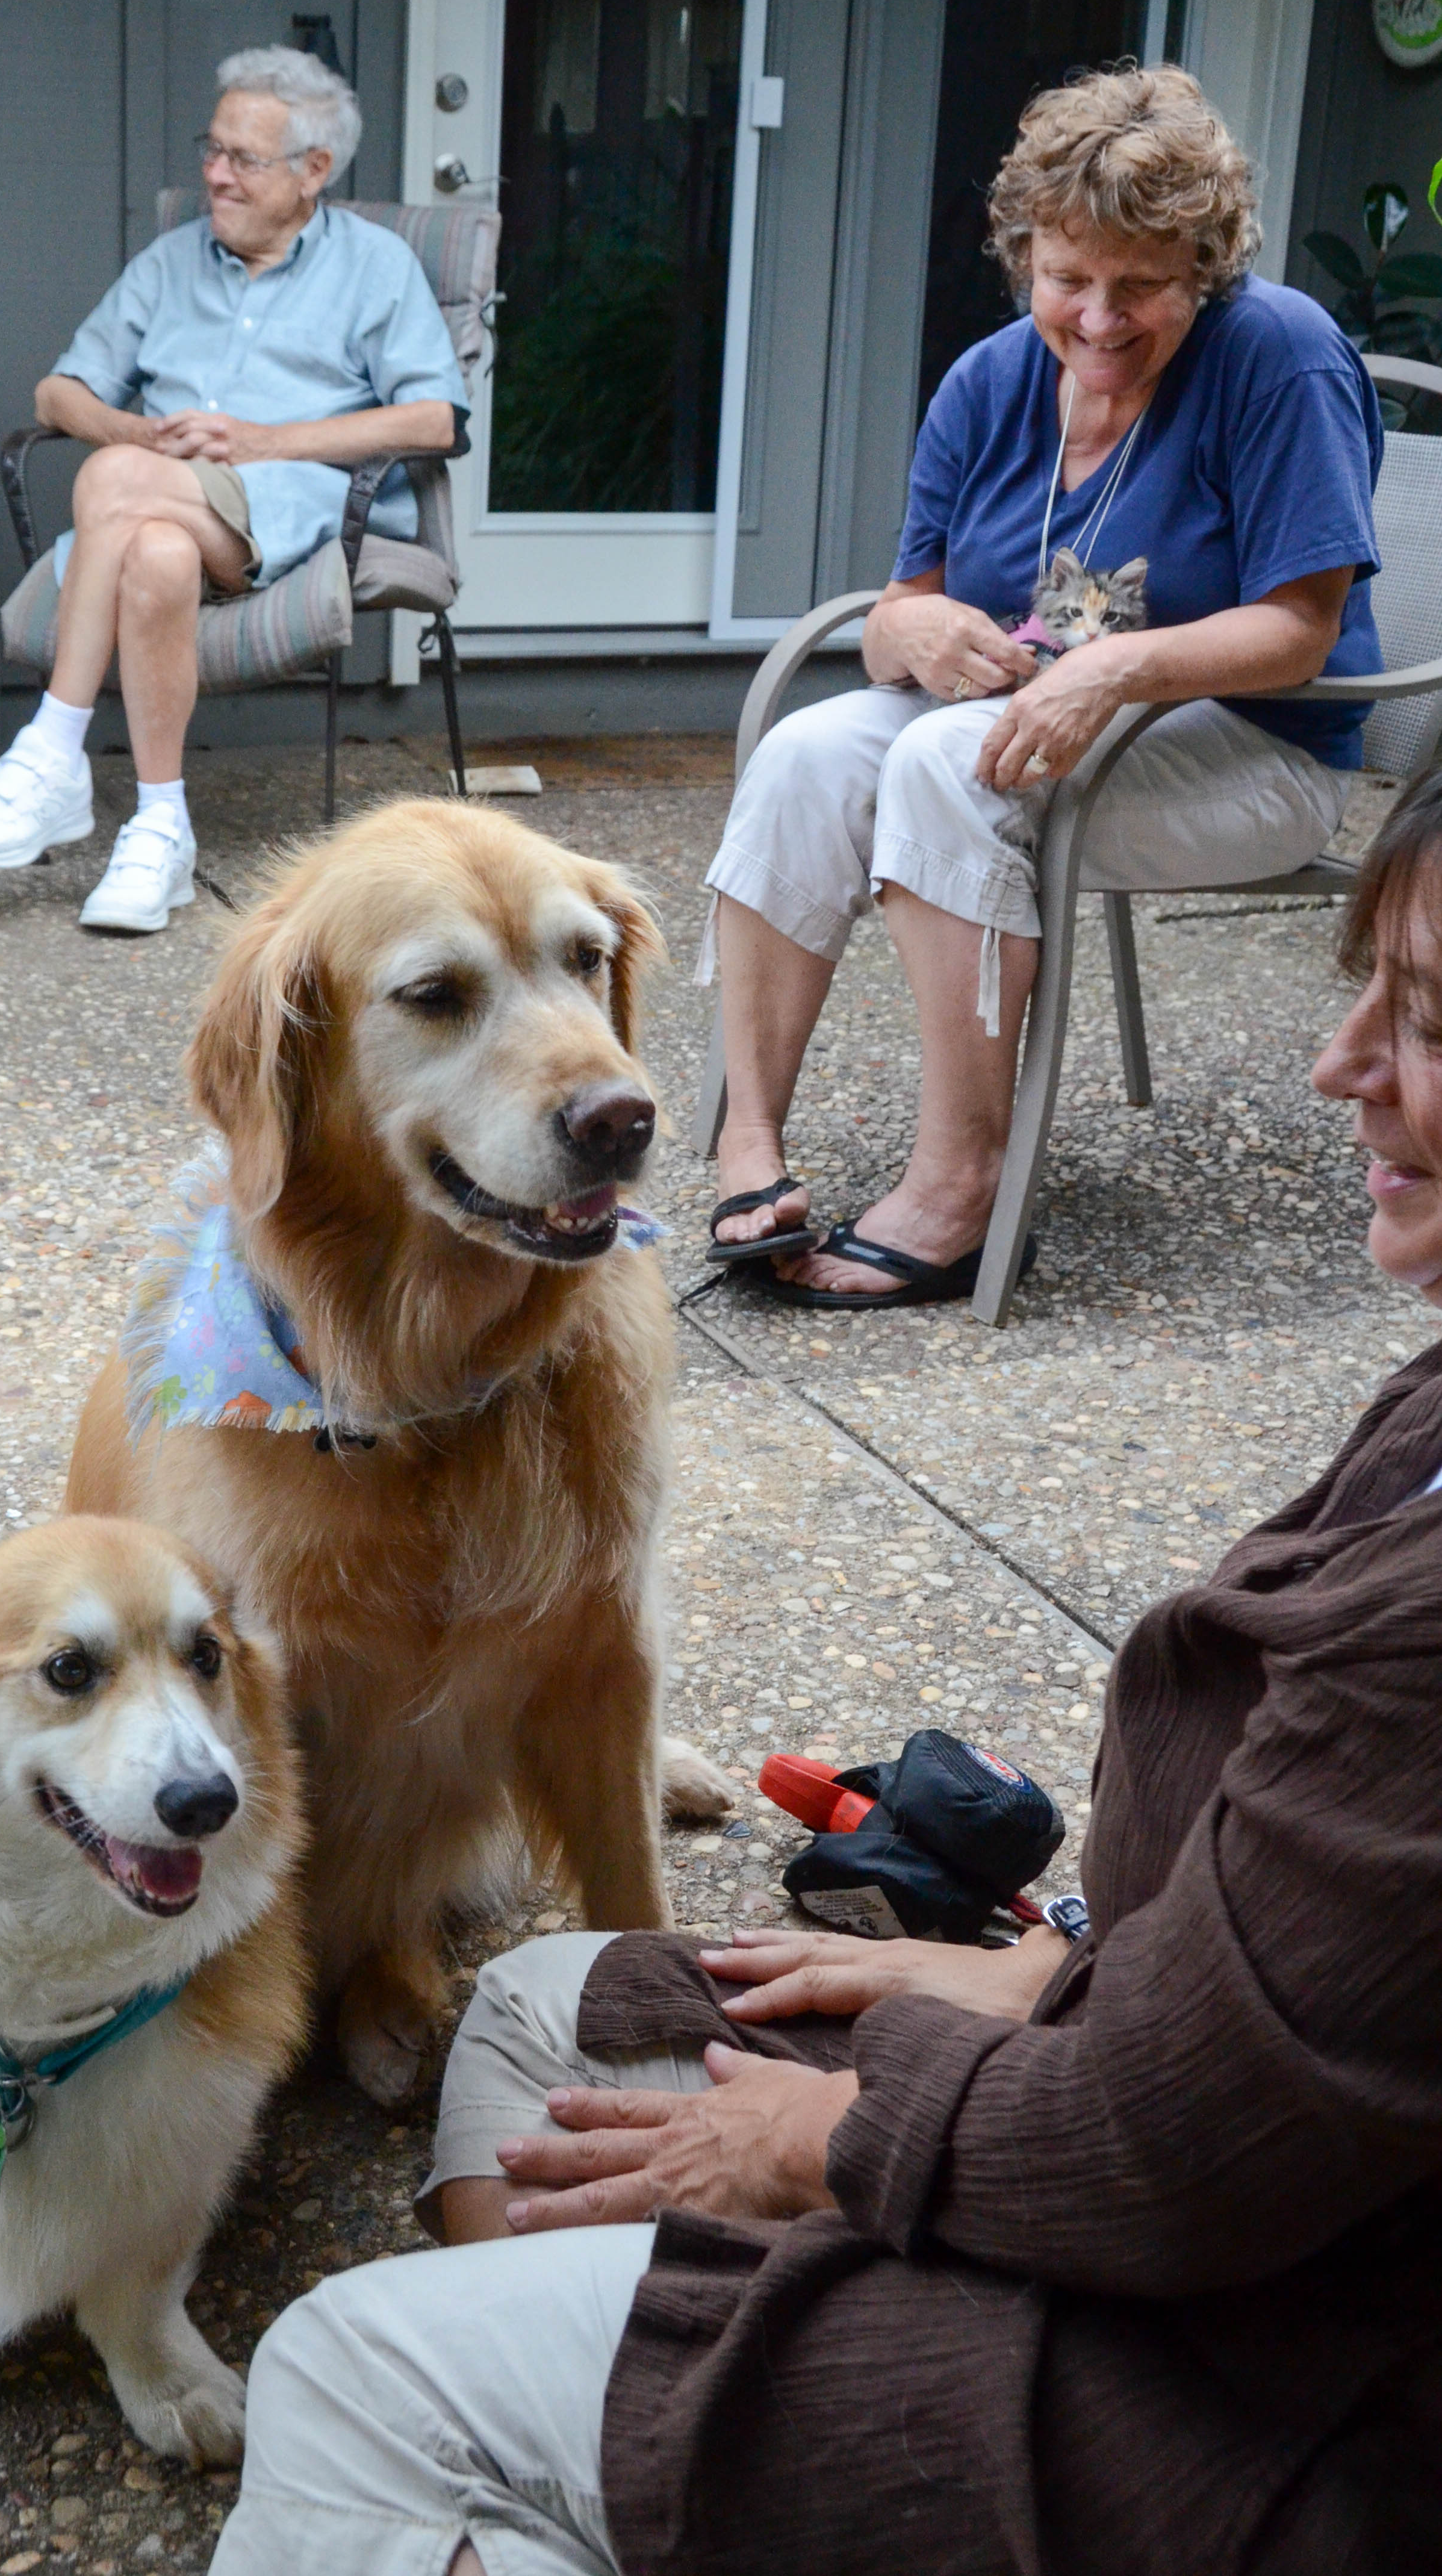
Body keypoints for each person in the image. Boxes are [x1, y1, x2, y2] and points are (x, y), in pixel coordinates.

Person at [208, 765, 1442, 2576]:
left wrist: (821, 2151)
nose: (1333, 1065)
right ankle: (706, 2436)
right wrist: (1039, 1963)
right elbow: (1331, 1971)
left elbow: (1178, 2155)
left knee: (346, 2375)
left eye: (1415, 1020)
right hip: (1174, 2097)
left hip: (1270, 2381)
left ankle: (742, 2408)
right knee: (535, 2009)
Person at [704, 64, 1382, 1307]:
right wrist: (924, 635)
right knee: (806, 751)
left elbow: (1300, 630)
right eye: (1067, 280)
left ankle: (961, 1187)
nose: (1099, 320)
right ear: (1024, 256)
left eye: (1142, 287)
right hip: (1026, 723)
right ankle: (746, 1138)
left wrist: (1118, 665)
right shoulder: (987, 380)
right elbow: (896, 613)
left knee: (938, 764)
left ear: (1205, 268)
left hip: (1253, 748)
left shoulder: (1278, 357)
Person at [0, 43, 466, 933]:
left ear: (313, 171)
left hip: (293, 508)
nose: (215, 175)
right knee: (156, 547)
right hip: (167, 510)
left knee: (112, 481)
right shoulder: (171, 263)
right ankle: (160, 828)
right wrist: (139, 436)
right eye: (210, 151)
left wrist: (263, 442)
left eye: (243, 160)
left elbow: (433, 420)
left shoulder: (374, 267)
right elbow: (58, 394)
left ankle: (54, 748)